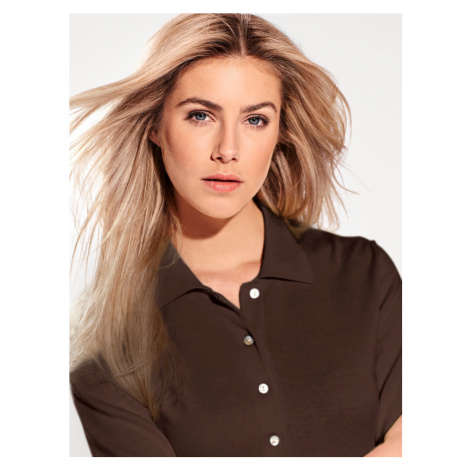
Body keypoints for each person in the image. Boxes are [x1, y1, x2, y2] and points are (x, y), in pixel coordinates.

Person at [69, 13, 401, 457]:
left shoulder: (364, 275)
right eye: (201, 115)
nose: (228, 150)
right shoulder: (109, 345)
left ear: (280, 132)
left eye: (255, 120)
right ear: (155, 126)